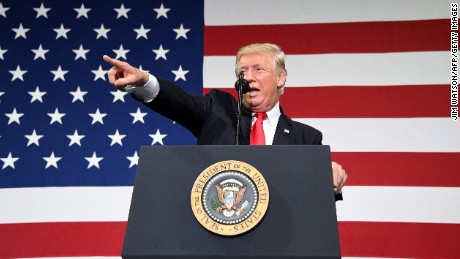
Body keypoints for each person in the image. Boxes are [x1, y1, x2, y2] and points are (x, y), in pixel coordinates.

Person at [103, 43, 347, 198]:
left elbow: (317, 200)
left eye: (258, 70)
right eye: (242, 72)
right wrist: (144, 81)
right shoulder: (216, 110)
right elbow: (180, 103)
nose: (248, 78)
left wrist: (327, 173)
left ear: (281, 78)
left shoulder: (307, 138)